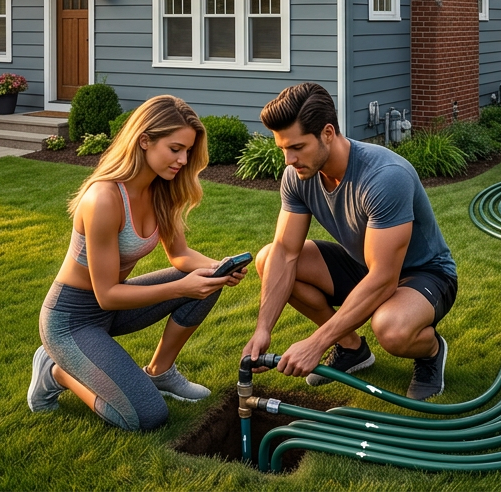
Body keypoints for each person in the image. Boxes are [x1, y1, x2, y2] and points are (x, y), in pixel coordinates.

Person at [29, 96, 247, 430]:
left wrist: (222, 267)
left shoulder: (163, 189)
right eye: (175, 149)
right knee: (147, 417)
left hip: (111, 310)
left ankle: (160, 372)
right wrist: (182, 286)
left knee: (208, 279)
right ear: (144, 140)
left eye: (187, 151)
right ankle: (55, 372)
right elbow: (107, 295)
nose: (183, 160)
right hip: (71, 320)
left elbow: (181, 256)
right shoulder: (103, 198)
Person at [241, 83, 457, 400]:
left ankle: (431, 352)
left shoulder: (385, 177)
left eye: (297, 147)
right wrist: (263, 329)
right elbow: (286, 252)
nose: (289, 159)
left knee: (392, 330)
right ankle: (352, 348)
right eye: (283, 149)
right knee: (268, 257)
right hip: (363, 264)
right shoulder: (298, 175)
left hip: (424, 274)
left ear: (328, 133)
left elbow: (384, 279)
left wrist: (317, 342)